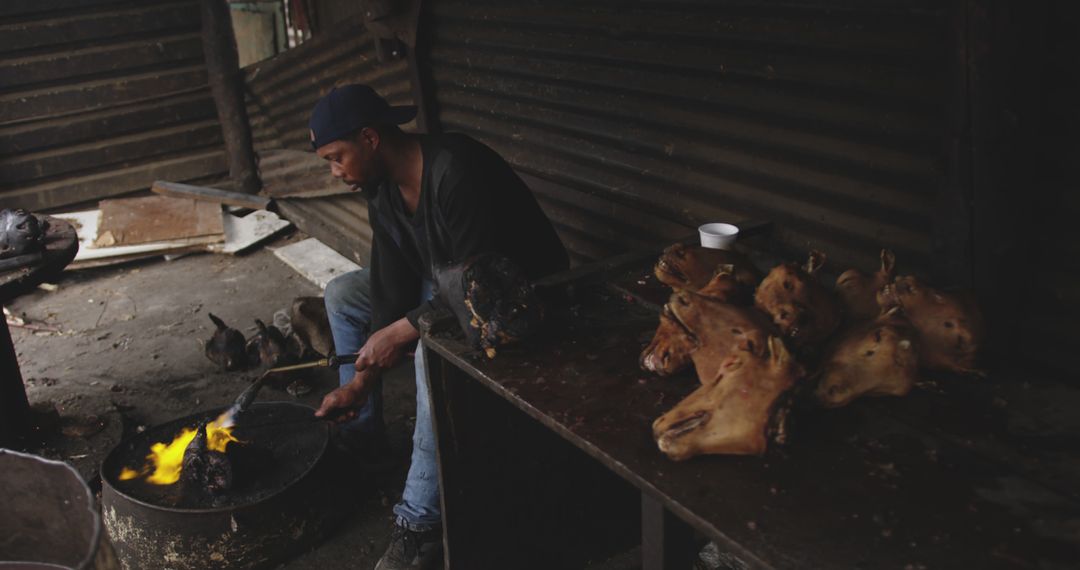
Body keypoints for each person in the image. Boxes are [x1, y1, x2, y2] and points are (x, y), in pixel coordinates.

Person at [308, 84, 568, 570]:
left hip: (517, 293)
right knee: (344, 294)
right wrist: (363, 379)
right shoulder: (381, 189)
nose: (335, 171)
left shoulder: (456, 169)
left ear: (369, 137)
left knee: (432, 351)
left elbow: (481, 286)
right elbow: (391, 282)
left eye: (336, 157)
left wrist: (404, 332)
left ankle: (420, 525)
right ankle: (362, 437)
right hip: (449, 281)